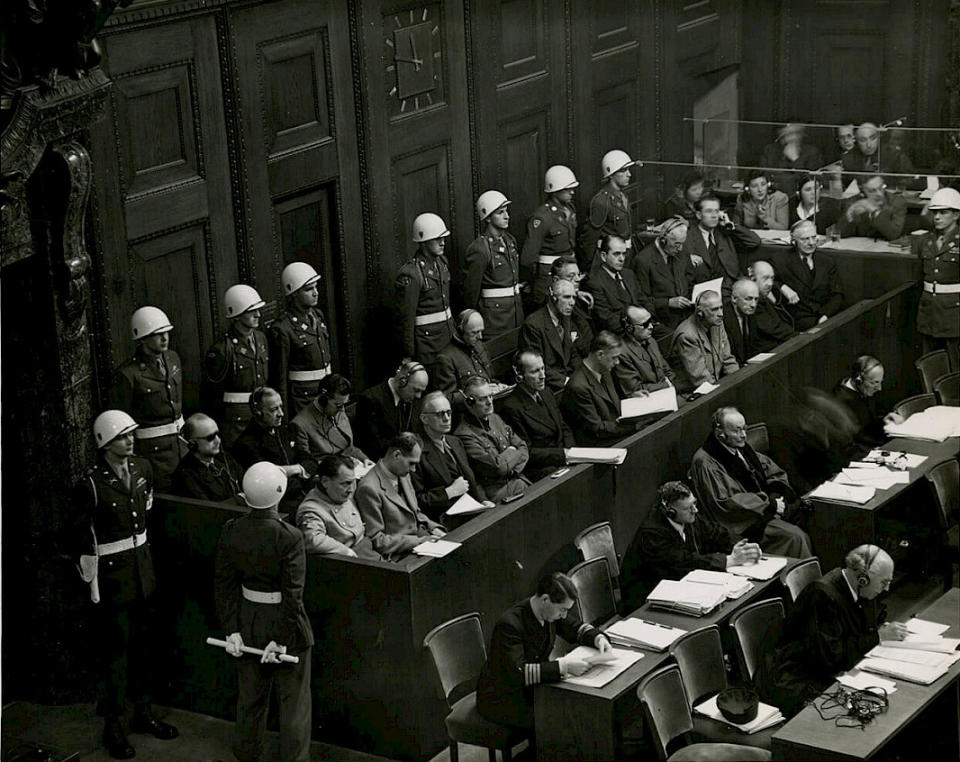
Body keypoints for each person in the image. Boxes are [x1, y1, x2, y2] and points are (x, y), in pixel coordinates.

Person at [72, 410, 178, 759]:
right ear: (104, 443)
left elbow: (145, 514)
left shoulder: (142, 469)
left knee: (145, 649)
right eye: (121, 436)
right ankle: (114, 727)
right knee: (116, 656)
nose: (129, 440)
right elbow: (80, 537)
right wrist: (92, 583)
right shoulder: (90, 484)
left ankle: (143, 715)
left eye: (131, 434)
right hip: (113, 581)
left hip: (143, 574)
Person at [214, 462, 314, 762]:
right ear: (279, 493)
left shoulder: (232, 530)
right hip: (285, 625)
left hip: (247, 621)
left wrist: (232, 629)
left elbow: (224, 586)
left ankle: (247, 755)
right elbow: (293, 594)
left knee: (250, 700)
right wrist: (281, 639)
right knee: (294, 705)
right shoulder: (290, 536)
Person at [754, 544, 907, 718]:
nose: (886, 589)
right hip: (796, 678)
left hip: (826, 669)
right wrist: (877, 637)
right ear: (862, 578)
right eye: (884, 582)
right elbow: (831, 657)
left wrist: (878, 632)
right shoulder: (822, 596)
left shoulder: (859, 591)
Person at [476, 572, 612, 733]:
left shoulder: (549, 612)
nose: (564, 615)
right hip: (502, 698)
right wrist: (564, 667)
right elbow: (518, 672)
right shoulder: (510, 625)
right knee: (563, 715)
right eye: (562, 609)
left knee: (579, 707)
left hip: (531, 689)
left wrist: (598, 638)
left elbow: (575, 627)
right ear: (546, 599)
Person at [688, 406, 812, 557]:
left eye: (744, 429)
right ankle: (795, 578)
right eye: (737, 431)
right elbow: (726, 502)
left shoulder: (739, 448)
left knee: (811, 516)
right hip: (741, 523)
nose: (744, 435)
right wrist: (770, 505)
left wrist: (775, 495)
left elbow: (770, 469)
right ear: (720, 434)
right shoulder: (705, 463)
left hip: (761, 509)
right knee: (796, 537)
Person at [619, 481, 762, 612]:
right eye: (688, 508)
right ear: (671, 512)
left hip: (677, 590)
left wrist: (743, 547)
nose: (695, 510)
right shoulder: (652, 533)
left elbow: (717, 533)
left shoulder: (689, 517)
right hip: (643, 601)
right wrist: (728, 560)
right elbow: (683, 562)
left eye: (694, 503)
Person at [108, 306, 185, 489]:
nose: (164, 338)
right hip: (155, 454)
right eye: (157, 334)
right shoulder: (128, 374)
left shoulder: (173, 359)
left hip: (181, 445)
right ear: (142, 339)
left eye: (166, 332)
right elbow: (122, 423)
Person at [354, 432, 446, 560]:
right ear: (396, 455)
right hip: (400, 555)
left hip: (422, 541)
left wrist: (434, 529)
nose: (414, 469)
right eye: (411, 463)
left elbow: (416, 514)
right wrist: (420, 541)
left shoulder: (403, 474)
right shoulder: (368, 488)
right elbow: (377, 540)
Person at [203, 284, 269, 448]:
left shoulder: (261, 338)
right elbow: (213, 397)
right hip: (237, 422)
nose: (258, 314)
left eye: (258, 310)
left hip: (262, 415)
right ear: (237, 314)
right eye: (251, 311)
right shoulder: (222, 349)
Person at [413, 391, 491, 521]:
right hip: (444, 520)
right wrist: (449, 492)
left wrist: (482, 500)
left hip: (472, 510)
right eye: (440, 414)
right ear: (424, 419)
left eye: (448, 412)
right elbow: (417, 500)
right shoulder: (417, 452)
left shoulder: (455, 441)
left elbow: (472, 480)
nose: (446, 418)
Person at [232, 386, 315, 509]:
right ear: (258, 413)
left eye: (281, 407)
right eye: (274, 410)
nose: (281, 414)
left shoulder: (285, 430)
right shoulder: (246, 444)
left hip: (303, 495)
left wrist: (294, 469)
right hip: (279, 505)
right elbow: (271, 485)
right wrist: (305, 477)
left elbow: (310, 461)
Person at [499, 350, 576, 480]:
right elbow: (526, 450)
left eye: (542, 369)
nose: (543, 376)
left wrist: (571, 450)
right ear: (520, 375)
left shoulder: (546, 392)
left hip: (565, 456)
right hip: (542, 468)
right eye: (535, 371)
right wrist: (563, 454)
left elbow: (563, 426)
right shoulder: (511, 407)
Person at [268, 261, 332, 417]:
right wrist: (284, 415)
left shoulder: (318, 316)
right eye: (309, 289)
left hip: (326, 395)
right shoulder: (283, 328)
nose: (316, 293)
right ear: (294, 293)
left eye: (316, 287)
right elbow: (280, 378)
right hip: (303, 401)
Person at [395, 212, 456, 368]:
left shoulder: (442, 263)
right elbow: (406, 319)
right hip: (428, 345)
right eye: (437, 239)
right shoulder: (412, 273)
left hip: (447, 337)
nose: (442, 242)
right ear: (423, 241)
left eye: (443, 238)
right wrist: (408, 352)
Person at [455, 376, 531, 501]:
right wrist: (512, 451)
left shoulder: (495, 418)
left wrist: (511, 470)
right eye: (483, 399)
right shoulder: (464, 435)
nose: (490, 402)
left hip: (518, 479)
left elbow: (523, 447)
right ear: (469, 402)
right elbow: (497, 468)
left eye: (490, 396)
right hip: (497, 493)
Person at [461, 191, 523, 337]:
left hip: (515, 313)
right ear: (488, 218)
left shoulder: (510, 241)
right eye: (500, 213)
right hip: (494, 320)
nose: (507, 216)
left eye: (506, 211)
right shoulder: (480, 249)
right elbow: (471, 292)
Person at [296, 454, 382, 560]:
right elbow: (313, 539)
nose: (351, 489)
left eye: (352, 482)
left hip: (370, 550)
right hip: (350, 563)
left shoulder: (338, 492)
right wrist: (346, 552)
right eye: (346, 483)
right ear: (325, 481)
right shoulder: (311, 509)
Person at [561, 331, 638, 445]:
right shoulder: (578, 386)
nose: (617, 362)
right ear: (600, 355)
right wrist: (633, 426)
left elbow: (615, 405)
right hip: (600, 443)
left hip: (615, 433)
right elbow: (596, 429)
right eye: (614, 358)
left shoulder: (605, 370)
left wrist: (633, 398)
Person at [914, 187, 960, 367]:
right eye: (935, 213)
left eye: (943, 212)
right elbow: (919, 277)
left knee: (953, 368)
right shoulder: (925, 240)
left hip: (953, 315)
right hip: (928, 313)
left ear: (956, 215)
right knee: (929, 366)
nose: (937, 217)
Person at [521, 165, 580, 306]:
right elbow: (528, 258)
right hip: (548, 276)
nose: (572, 192)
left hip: (569, 273)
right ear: (555, 190)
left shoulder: (569, 209)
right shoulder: (542, 217)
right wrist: (536, 280)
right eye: (567, 189)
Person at [632, 216, 695, 346]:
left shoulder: (681, 252)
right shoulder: (643, 261)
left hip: (687, 314)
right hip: (664, 320)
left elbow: (690, 280)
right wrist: (668, 303)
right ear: (663, 240)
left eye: (682, 243)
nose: (681, 249)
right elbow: (642, 300)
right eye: (676, 244)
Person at [770, 220, 845, 330]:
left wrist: (825, 316)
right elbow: (762, 280)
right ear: (794, 240)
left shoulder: (827, 262)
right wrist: (782, 287)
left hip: (824, 317)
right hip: (796, 322)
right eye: (805, 239)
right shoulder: (780, 260)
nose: (811, 243)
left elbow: (837, 294)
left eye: (814, 237)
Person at [290, 373, 371, 473]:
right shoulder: (300, 424)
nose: (342, 409)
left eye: (344, 404)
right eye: (338, 405)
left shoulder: (338, 409)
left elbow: (348, 446)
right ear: (323, 400)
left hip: (351, 466)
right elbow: (307, 465)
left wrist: (364, 459)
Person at [519, 279, 588, 394]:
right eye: (566, 297)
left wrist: (582, 376)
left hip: (568, 379)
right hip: (548, 385)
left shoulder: (565, 318)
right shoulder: (533, 325)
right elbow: (536, 366)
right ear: (553, 298)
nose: (572, 303)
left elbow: (573, 354)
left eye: (574, 297)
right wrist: (567, 381)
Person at [353, 360, 429, 459]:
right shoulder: (371, 399)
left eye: (421, 391)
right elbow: (374, 445)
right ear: (402, 381)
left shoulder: (411, 399)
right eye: (416, 390)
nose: (418, 396)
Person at [669, 291, 739, 392]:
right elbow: (701, 379)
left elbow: (728, 359)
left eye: (721, 307)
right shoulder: (687, 335)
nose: (721, 314)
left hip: (713, 385)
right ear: (700, 313)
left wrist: (738, 380)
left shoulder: (717, 323)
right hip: (692, 393)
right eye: (714, 310)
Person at [579, 150, 638, 271]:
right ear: (611, 174)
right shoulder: (601, 201)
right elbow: (589, 239)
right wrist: (589, 267)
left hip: (625, 256)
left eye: (628, 170)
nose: (629, 174)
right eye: (623, 170)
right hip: (608, 261)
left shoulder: (623, 196)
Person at [682, 193, 760, 284]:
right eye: (709, 211)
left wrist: (730, 225)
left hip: (731, 283)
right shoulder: (688, 235)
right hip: (703, 286)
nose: (714, 215)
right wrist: (687, 258)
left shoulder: (726, 231)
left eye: (716, 211)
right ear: (699, 215)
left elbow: (754, 241)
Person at [832, 355, 903, 449]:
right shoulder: (840, 401)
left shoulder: (863, 390)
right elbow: (853, 440)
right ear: (859, 380)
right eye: (874, 383)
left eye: (880, 382)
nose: (879, 388)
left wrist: (884, 421)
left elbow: (869, 425)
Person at [171, 413, 243, 503]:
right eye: (210, 437)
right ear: (193, 444)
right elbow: (209, 511)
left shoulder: (225, 458)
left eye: (217, 434)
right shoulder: (185, 475)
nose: (218, 440)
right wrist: (240, 500)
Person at [582, 234, 644, 332]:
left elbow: (644, 301)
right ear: (603, 256)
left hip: (643, 327)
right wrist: (636, 328)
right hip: (622, 333)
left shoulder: (629, 274)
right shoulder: (595, 283)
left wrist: (648, 322)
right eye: (616, 254)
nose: (622, 259)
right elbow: (607, 320)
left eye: (624, 254)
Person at [433, 309, 500, 397]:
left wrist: (499, 386)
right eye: (474, 333)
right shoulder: (445, 358)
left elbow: (490, 378)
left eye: (481, 331)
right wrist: (477, 394)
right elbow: (448, 398)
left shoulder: (480, 346)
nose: (480, 337)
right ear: (460, 331)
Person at [613, 306, 677, 396]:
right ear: (629, 328)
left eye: (650, 321)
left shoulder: (651, 340)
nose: (651, 327)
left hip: (669, 393)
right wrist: (667, 385)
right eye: (645, 324)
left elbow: (668, 371)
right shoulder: (622, 353)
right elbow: (635, 390)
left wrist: (670, 383)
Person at [841, 123, 916, 186]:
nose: (869, 145)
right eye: (863, 140)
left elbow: (910, 180)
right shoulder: (849, 158)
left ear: (878, 137)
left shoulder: (894, 154)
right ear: (856, 141)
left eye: (873, 138)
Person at [760, 123, 824, 195]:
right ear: (780, 134)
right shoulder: (770, 150)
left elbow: (812, 181)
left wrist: (795, 159)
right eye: (788, 133)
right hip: (773, 196)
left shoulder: (812, 152)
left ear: (802, 134)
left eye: (796, 133)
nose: (793, 137)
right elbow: (763, 176)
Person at [838, 174, 907, 240]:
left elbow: (893, 234)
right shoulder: (854, 202)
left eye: (881, 188)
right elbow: (840, 233)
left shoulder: (897, 202)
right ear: (863, 193)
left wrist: (874, 211)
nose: (879, 194)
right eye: (872, 191)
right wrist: (852, 216)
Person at [748, 260, 796, 352]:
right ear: (752, 278)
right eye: (765, 278)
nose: (770, 283)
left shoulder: (765, 294)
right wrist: (800, 336)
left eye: (772, 278)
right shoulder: (753, 301)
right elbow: (775, 330)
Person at [722, 279, 761, 365]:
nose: (753, 305)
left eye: (756, 299)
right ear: (734, 298)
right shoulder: (722, 319)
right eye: (748, 299)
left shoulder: (748, 312)